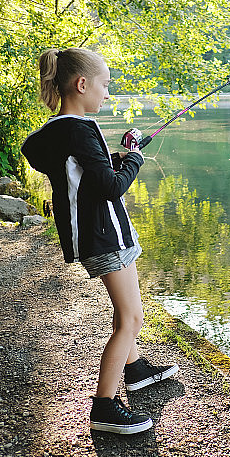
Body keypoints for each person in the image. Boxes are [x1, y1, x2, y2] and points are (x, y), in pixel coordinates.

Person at [21, 47, 179, 435]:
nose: (107, 94)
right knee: (132, 318)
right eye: (105, 85)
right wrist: (133, 160)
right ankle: (104, 406)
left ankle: (136, 368)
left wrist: (112, 156)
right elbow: (110, 187)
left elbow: (73, 166)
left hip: (97, 233)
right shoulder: (81, 129)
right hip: (104, 233)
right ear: (81, 84)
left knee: (128, 311)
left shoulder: (53, 133)